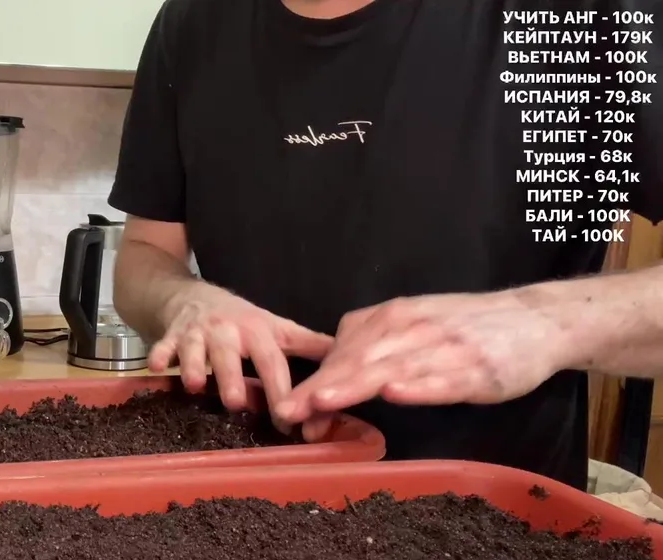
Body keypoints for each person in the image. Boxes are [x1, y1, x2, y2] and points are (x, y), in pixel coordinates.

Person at [109, 0, 663, 490]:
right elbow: (145, 255)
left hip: (496, 533)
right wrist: (182, 300)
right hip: (240, 508)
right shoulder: (190, 23)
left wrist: (543, 322)